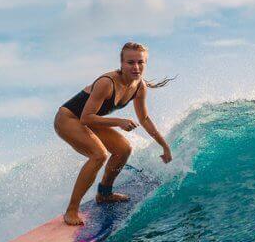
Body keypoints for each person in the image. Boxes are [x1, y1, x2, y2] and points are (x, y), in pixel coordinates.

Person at [55, 42, 173, 226]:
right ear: (121, 63)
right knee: (98, 155)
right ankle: (71, 210)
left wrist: (164, 145)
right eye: (130, 62)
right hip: (68, 119)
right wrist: (119, 122)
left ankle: (104, 193)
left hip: (90, 120)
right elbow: (86, 118)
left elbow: (145, 119)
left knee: (124, 149)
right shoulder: (106, 83)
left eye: (140, 62)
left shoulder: (139, 86)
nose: (135, 67)